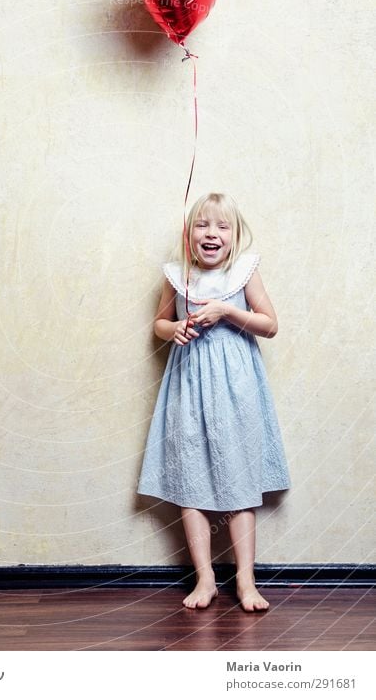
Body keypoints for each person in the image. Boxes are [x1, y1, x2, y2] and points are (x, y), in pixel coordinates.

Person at [137, 192, 291, 612]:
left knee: (240, 482)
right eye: (203, 225)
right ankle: (205, 577)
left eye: (222, 226)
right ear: (190, 234)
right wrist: (177, 329)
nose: (212, 233)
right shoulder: (177, 276)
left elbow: (270, 324)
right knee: (192, 480)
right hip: (189, 386)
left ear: (234, 236)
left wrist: (226, 311)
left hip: (237, 389)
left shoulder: (244, 273)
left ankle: (246, 581)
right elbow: (159, 325)